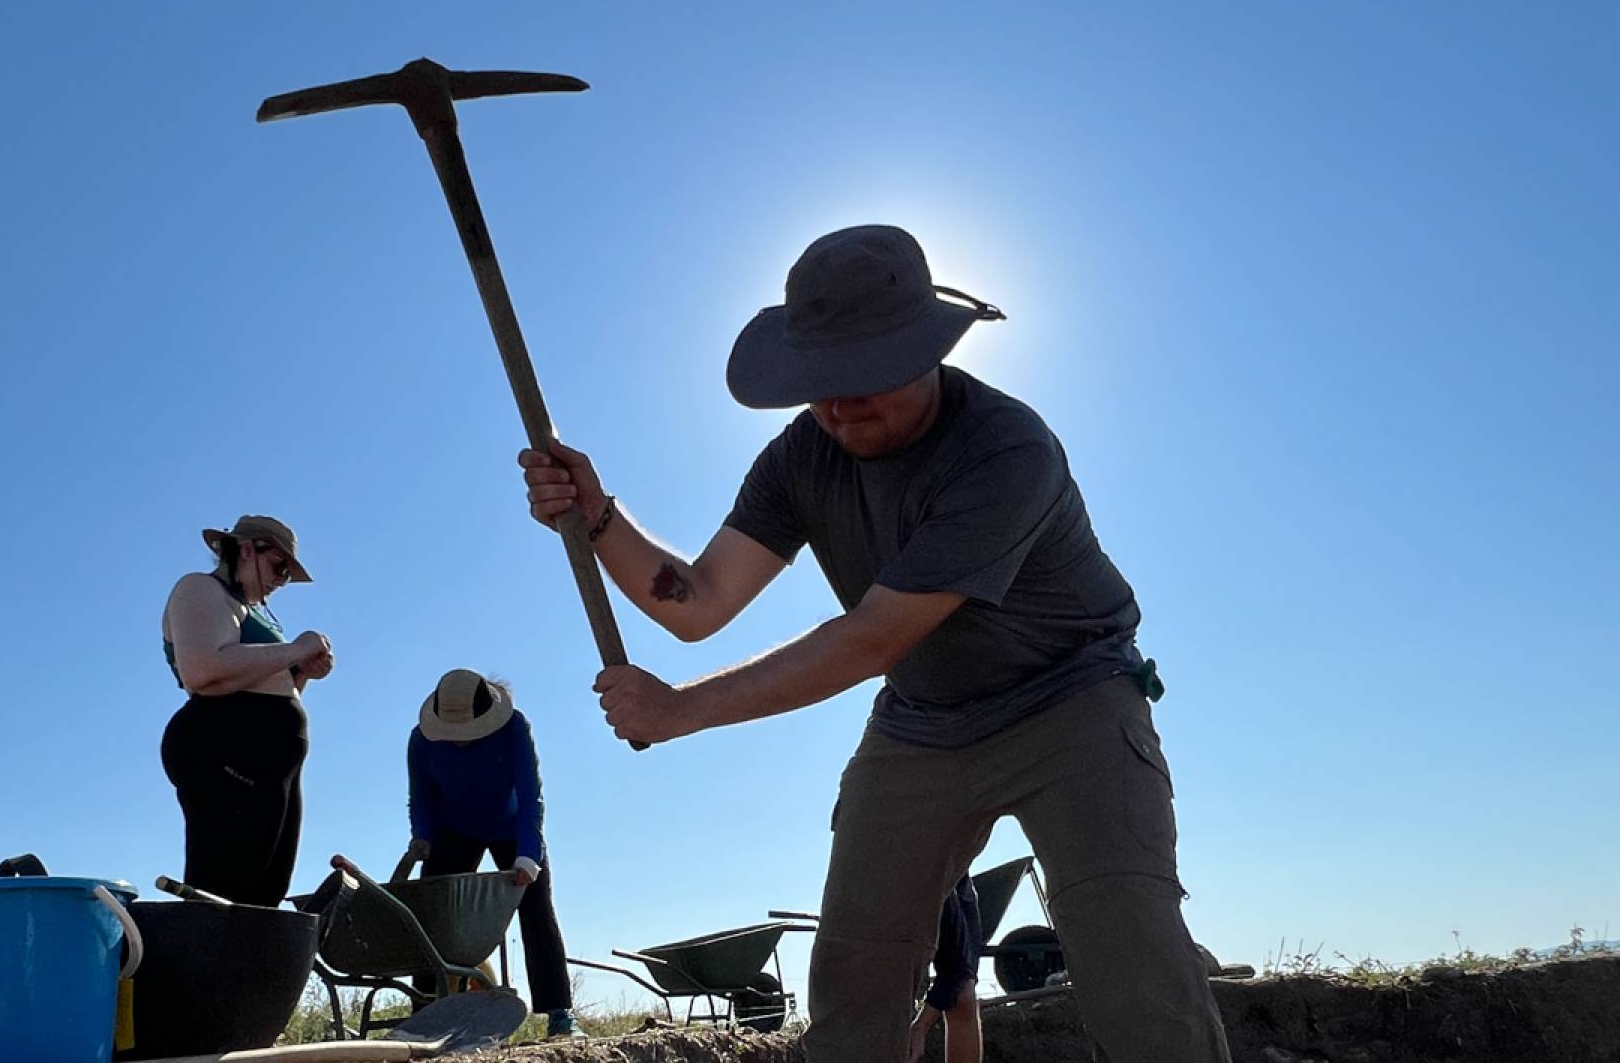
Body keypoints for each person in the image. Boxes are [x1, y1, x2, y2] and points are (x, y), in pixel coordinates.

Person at [517, 225, 1229, 1061]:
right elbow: (698, 603)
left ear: (926, 350)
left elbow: (871, 638)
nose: (840, 404)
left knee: (1128, 949)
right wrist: (597, 518)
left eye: (867, 377)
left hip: (1068, 700)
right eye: (821, 381)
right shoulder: (800, 459)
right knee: (857, 968)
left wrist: (680, 709)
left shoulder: (1005, 450)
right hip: (924, 721)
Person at [160, 515, 333, 907]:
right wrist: (296, 649)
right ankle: (207, 966)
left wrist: (300, 674)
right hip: (223, 744)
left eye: (287, 575)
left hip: (271, 758)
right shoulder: (199, 588)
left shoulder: (248, 611)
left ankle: (246, 967)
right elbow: (203, 671)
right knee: (222, 890)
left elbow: (272, 694)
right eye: (278, 566)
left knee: (263, 893)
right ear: (246, 549)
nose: (280, 580)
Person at [406, 669, 583, 1040]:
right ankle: (424, 1015)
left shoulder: (514, 728)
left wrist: (529, 855)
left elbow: (530, 794)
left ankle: (560, 1015)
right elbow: (422, 797)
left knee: (536, 912)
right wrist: (421, 837)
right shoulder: (421, 741)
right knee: (430, 916)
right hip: (453, 832)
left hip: (512, 829)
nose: (459, 742)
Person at [910, 878, 983, 1063]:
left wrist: (921, 1026)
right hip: (893, 878)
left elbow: (958, 971)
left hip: (954, 873)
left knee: (962, 993)